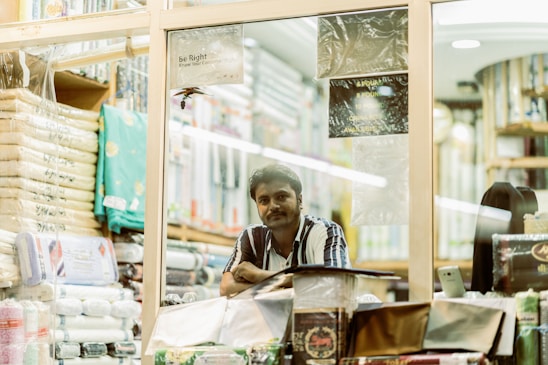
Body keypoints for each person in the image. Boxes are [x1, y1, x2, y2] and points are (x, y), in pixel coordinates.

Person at [220, 163, 351, 297]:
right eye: (264, 200)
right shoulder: (252, 237)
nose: (273, 206)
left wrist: (258, 275)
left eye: (281, 197)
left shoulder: (325, 231)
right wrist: (283, 287)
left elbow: (334, 282)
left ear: (300, 201)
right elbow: (227, 288)